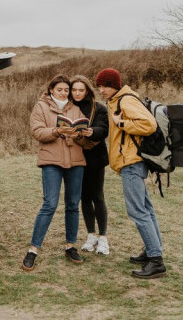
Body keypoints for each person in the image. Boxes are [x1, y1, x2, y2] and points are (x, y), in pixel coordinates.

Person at [95, 68, 167, 279]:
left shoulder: (125, 100)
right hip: (131, 162)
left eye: (105, 85)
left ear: (115, 85)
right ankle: (152, 251)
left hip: (132, 163)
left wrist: (122, 123)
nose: (101, 90)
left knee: (138, 211)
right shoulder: (119, 100)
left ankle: (156, 261)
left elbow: (149, 124)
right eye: (99, 86)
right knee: (146, 209)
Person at [22, 74, 88, 272]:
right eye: (60, 89)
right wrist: (57, 131)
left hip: (75, 161)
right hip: (51, 160)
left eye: (66, 90)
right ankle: (33, 250)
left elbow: (83, 140)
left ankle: (70, 246)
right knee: (50, 203)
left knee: (73, 204)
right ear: (51, 90)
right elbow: (37, 132)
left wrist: (80, 134)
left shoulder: (75, 109)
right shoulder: (41, 107)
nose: (64, 93)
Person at [70, 75, 110, 255]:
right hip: (75, 157)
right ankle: (91, 235)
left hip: (95, 158)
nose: (77, 93)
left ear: (87, 91)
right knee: (84, 198)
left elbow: (104, 130)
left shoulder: (98, 108)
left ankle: (103, 238)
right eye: (74, 90)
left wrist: (91, 131)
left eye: (81, 90)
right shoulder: (68, 108)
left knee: (97, 196)